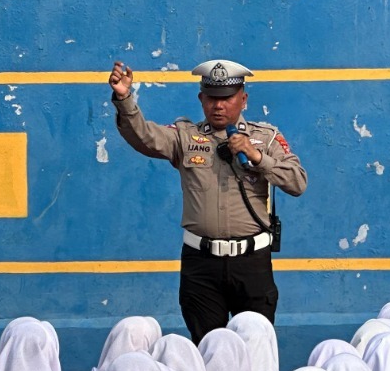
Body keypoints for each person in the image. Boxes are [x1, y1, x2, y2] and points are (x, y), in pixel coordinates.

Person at [109, 58, 307, 343]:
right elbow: (145, 137)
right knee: (206, 349)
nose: (219, 106)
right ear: (201, 99)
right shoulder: (185, 137)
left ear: (243, 99)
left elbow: (298, 182)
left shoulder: (266, 138)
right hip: (201, 265)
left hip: (251, 263)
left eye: (226, 98)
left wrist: (256, 157)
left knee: (255, 349)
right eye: (212, 98)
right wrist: (124, 97)